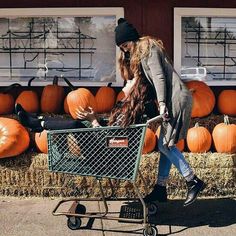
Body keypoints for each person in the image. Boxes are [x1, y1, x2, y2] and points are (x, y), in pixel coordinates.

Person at [113, 18, 206, 207]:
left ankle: (193, 180)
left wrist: (162, 103)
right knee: (166, 144)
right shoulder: (140, 53)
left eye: (125, 44)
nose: (124, 49)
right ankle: (160, 189)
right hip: (171, 100)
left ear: (132, 39)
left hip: (176, 99)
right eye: (121, 47)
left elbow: (159, 77)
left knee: (164, 144)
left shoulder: (149, 48)